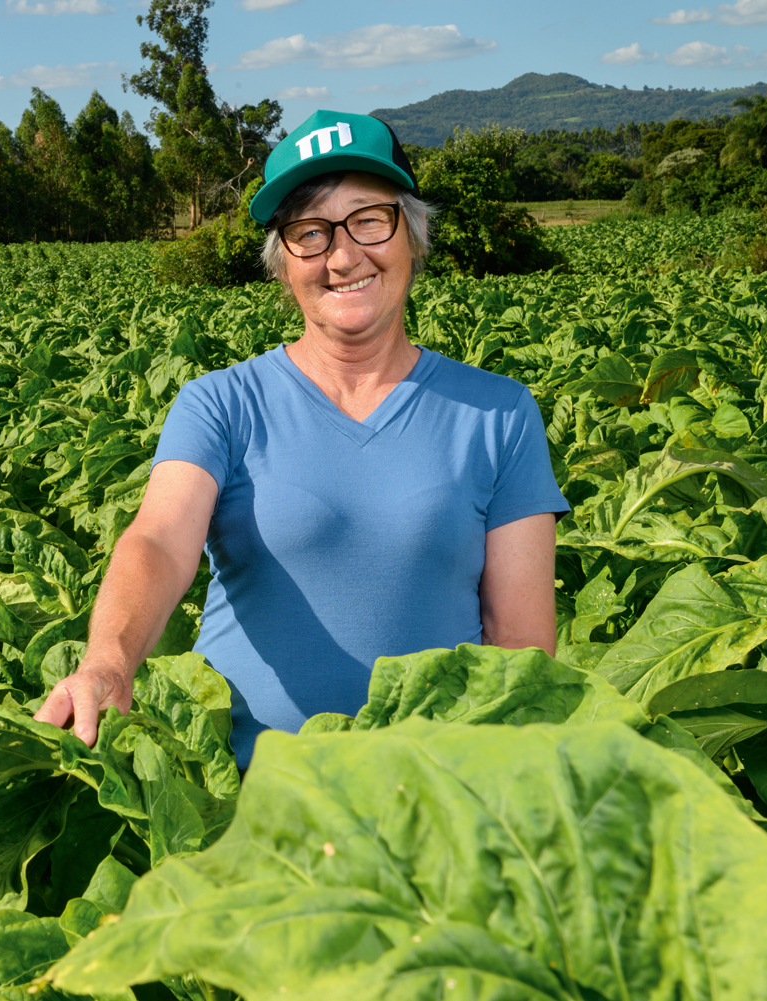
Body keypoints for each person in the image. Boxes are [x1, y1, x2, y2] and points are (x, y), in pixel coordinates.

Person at [34, 110, 570, 769]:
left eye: (370, 219)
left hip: (431, 810)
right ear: (282, 265)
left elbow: (520, 649)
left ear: (413, 236)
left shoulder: (498, 413)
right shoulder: (221, 404)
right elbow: (158, 539)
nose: (344, 256)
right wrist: (109, 663)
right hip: (243, 807)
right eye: (309, 232)